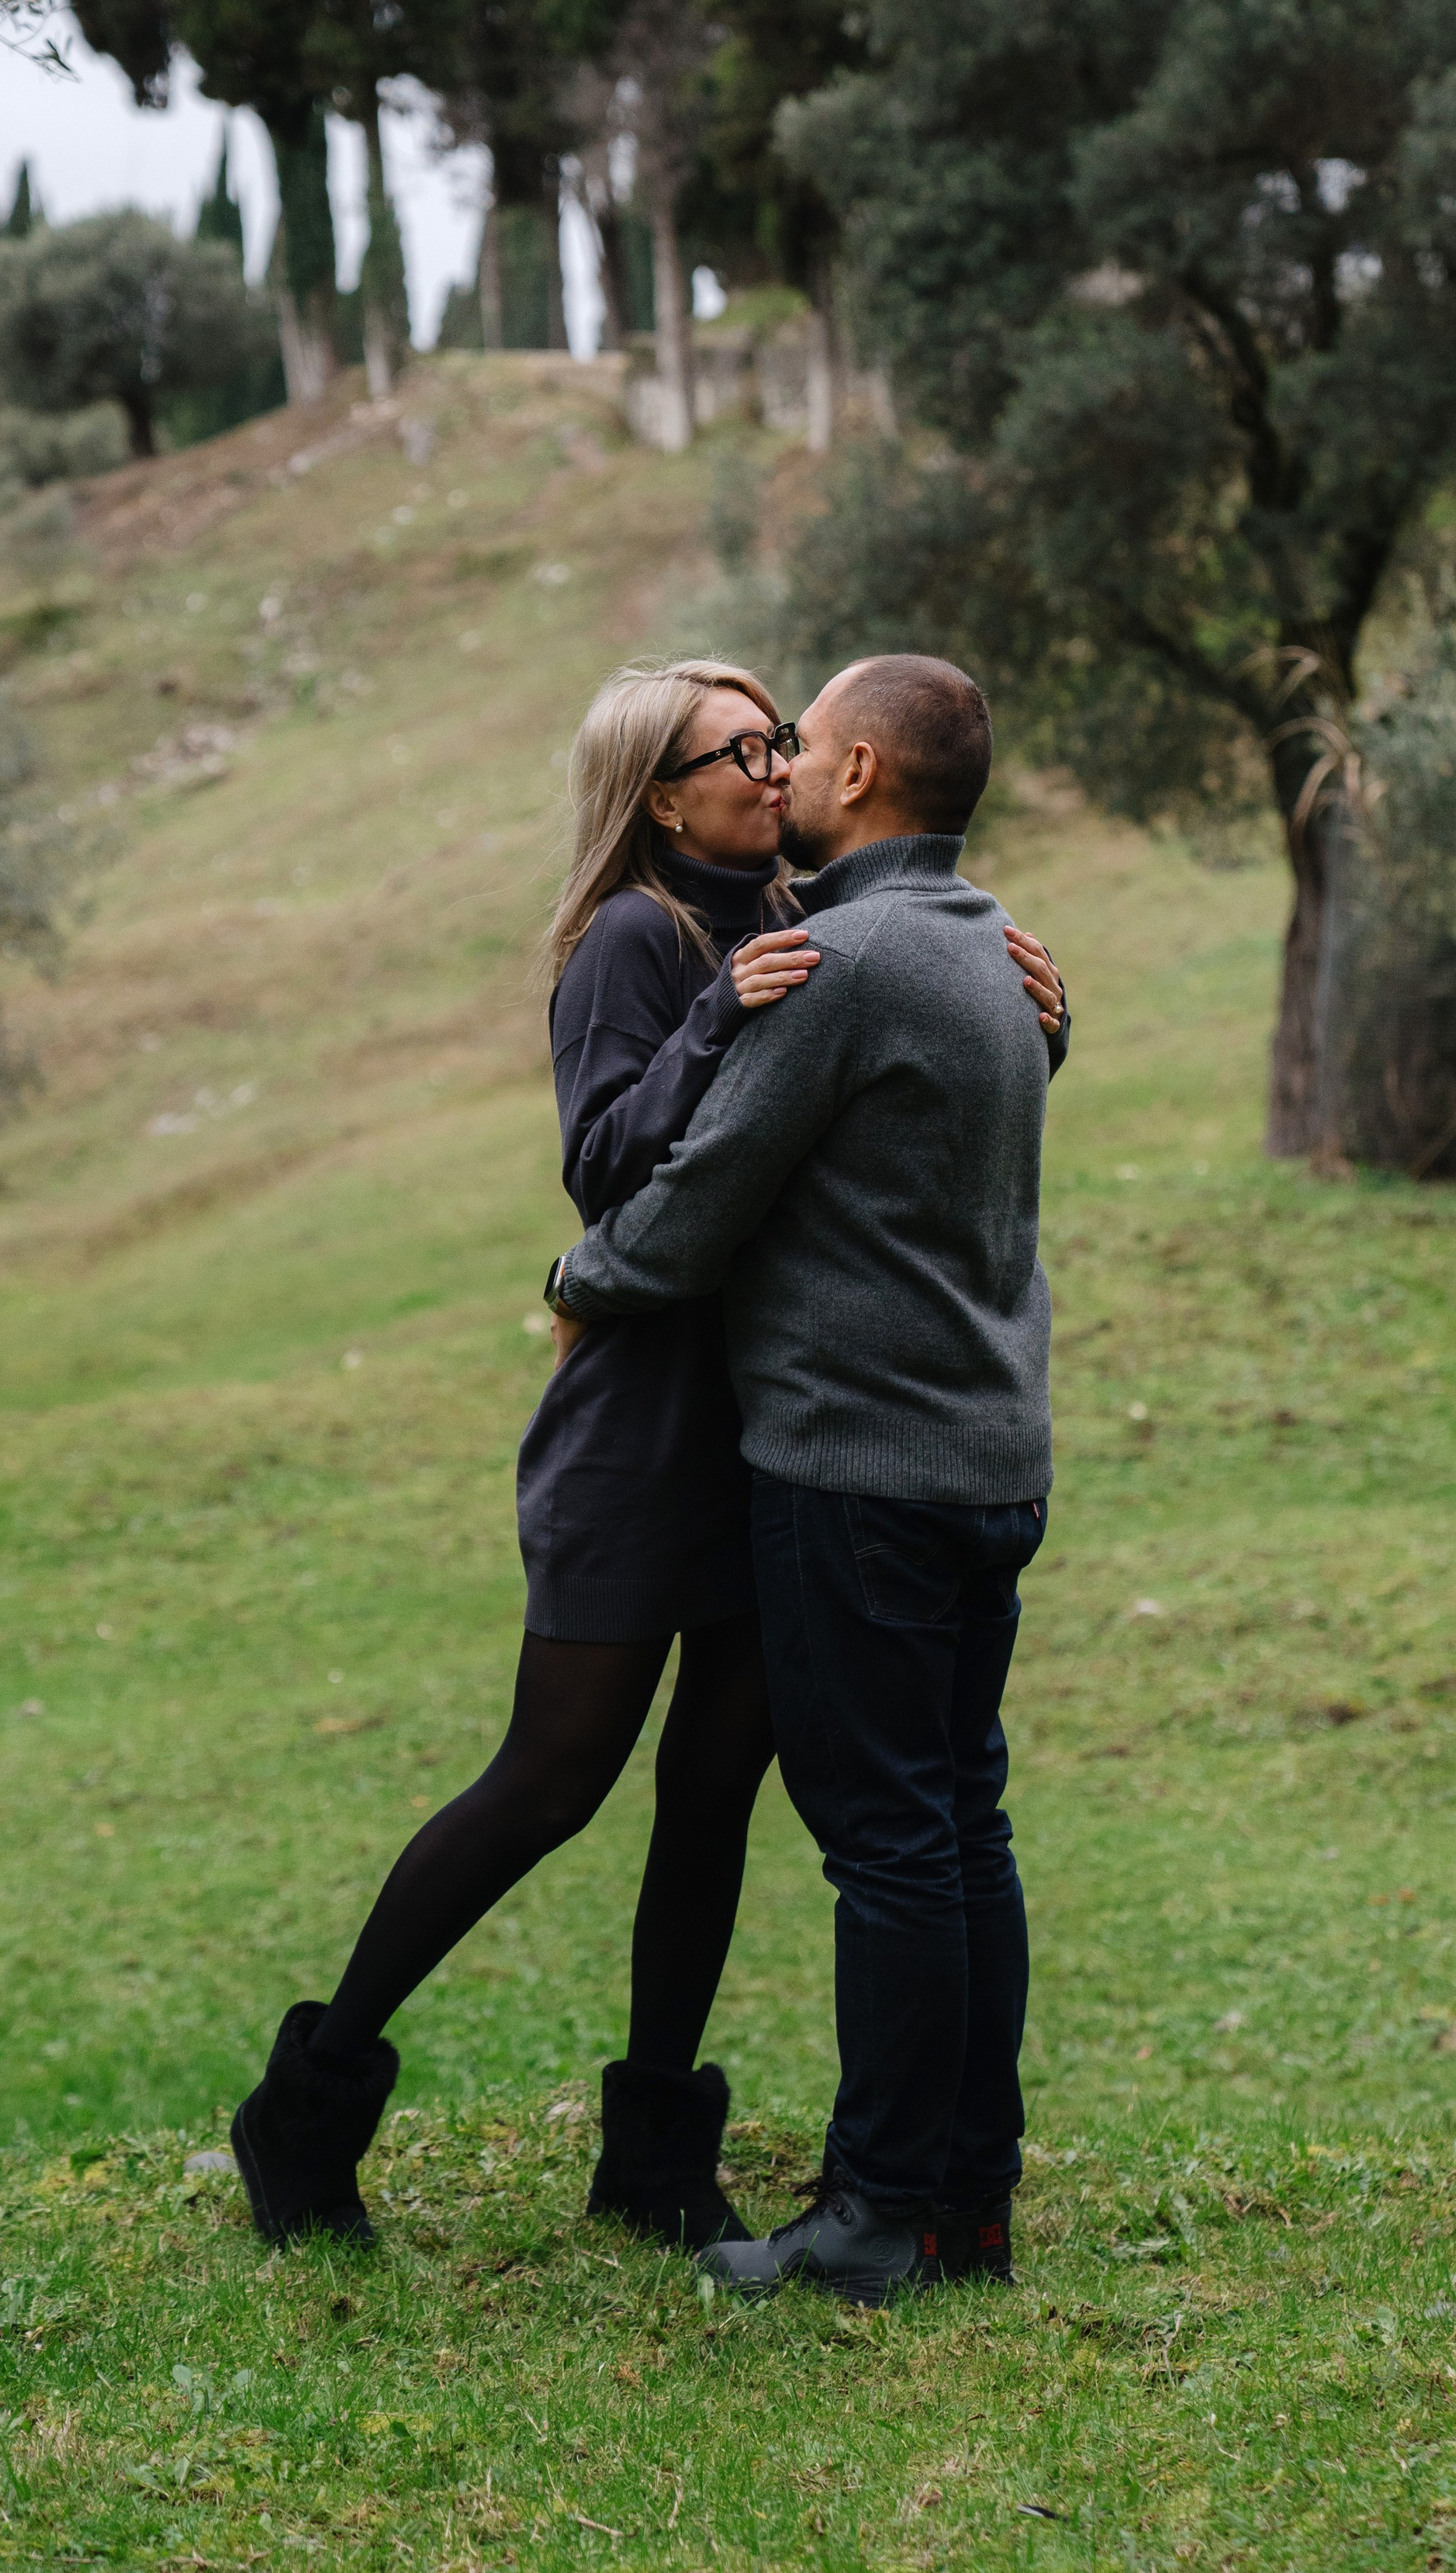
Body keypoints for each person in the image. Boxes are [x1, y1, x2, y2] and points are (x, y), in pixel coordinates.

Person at [230, 658, 1065, 2251]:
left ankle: (657, 2151)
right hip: (642, 1422)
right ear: (662, 796)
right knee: (553, 1777)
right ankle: (311, 2099)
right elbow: (606, 1170)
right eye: (739, 749)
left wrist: (1035, 1024)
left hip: (777, 1423)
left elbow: (875, 1114)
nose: (772, 765)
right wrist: (708, 1020)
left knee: (714, 1788)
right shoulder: (636, 937)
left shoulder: (808, 923)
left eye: (781, 740)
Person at [548, 653, 1063, 2306]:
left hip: (860, 1471)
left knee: (890, 1847)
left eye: (801, 742)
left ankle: (873, 2217)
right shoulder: (989, 942)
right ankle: (967, 2204)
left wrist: (577, 1281)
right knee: (961, 1827)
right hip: (989, 1460)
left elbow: (698, 1197)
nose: (779, 766)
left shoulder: (838, 960)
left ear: (855, 773)